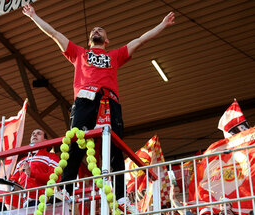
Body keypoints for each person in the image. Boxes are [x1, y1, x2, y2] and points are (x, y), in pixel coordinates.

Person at [22, 3, 175, 207]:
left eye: (100, 30)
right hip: (85, 100)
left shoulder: (115, 55)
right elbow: (54, 34)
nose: (96, 30)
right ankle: (66, 190)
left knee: (115, 149)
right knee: (75, 143)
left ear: (107, 40)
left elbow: (140, 40)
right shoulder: (79, 53)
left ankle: (120, 195)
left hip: (110, 101)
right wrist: (34, 16)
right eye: (94, 30)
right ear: (89, 39)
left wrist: (162, 25)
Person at [10, 129, 60, 207]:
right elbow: (13, 181)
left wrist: (32, 174)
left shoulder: (51, 157)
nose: (35, 135)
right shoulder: (22, 160)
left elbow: (54, 178)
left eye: (39, 133)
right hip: (20, 204)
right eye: (33, 134)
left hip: (40, 201)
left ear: (45, 140)